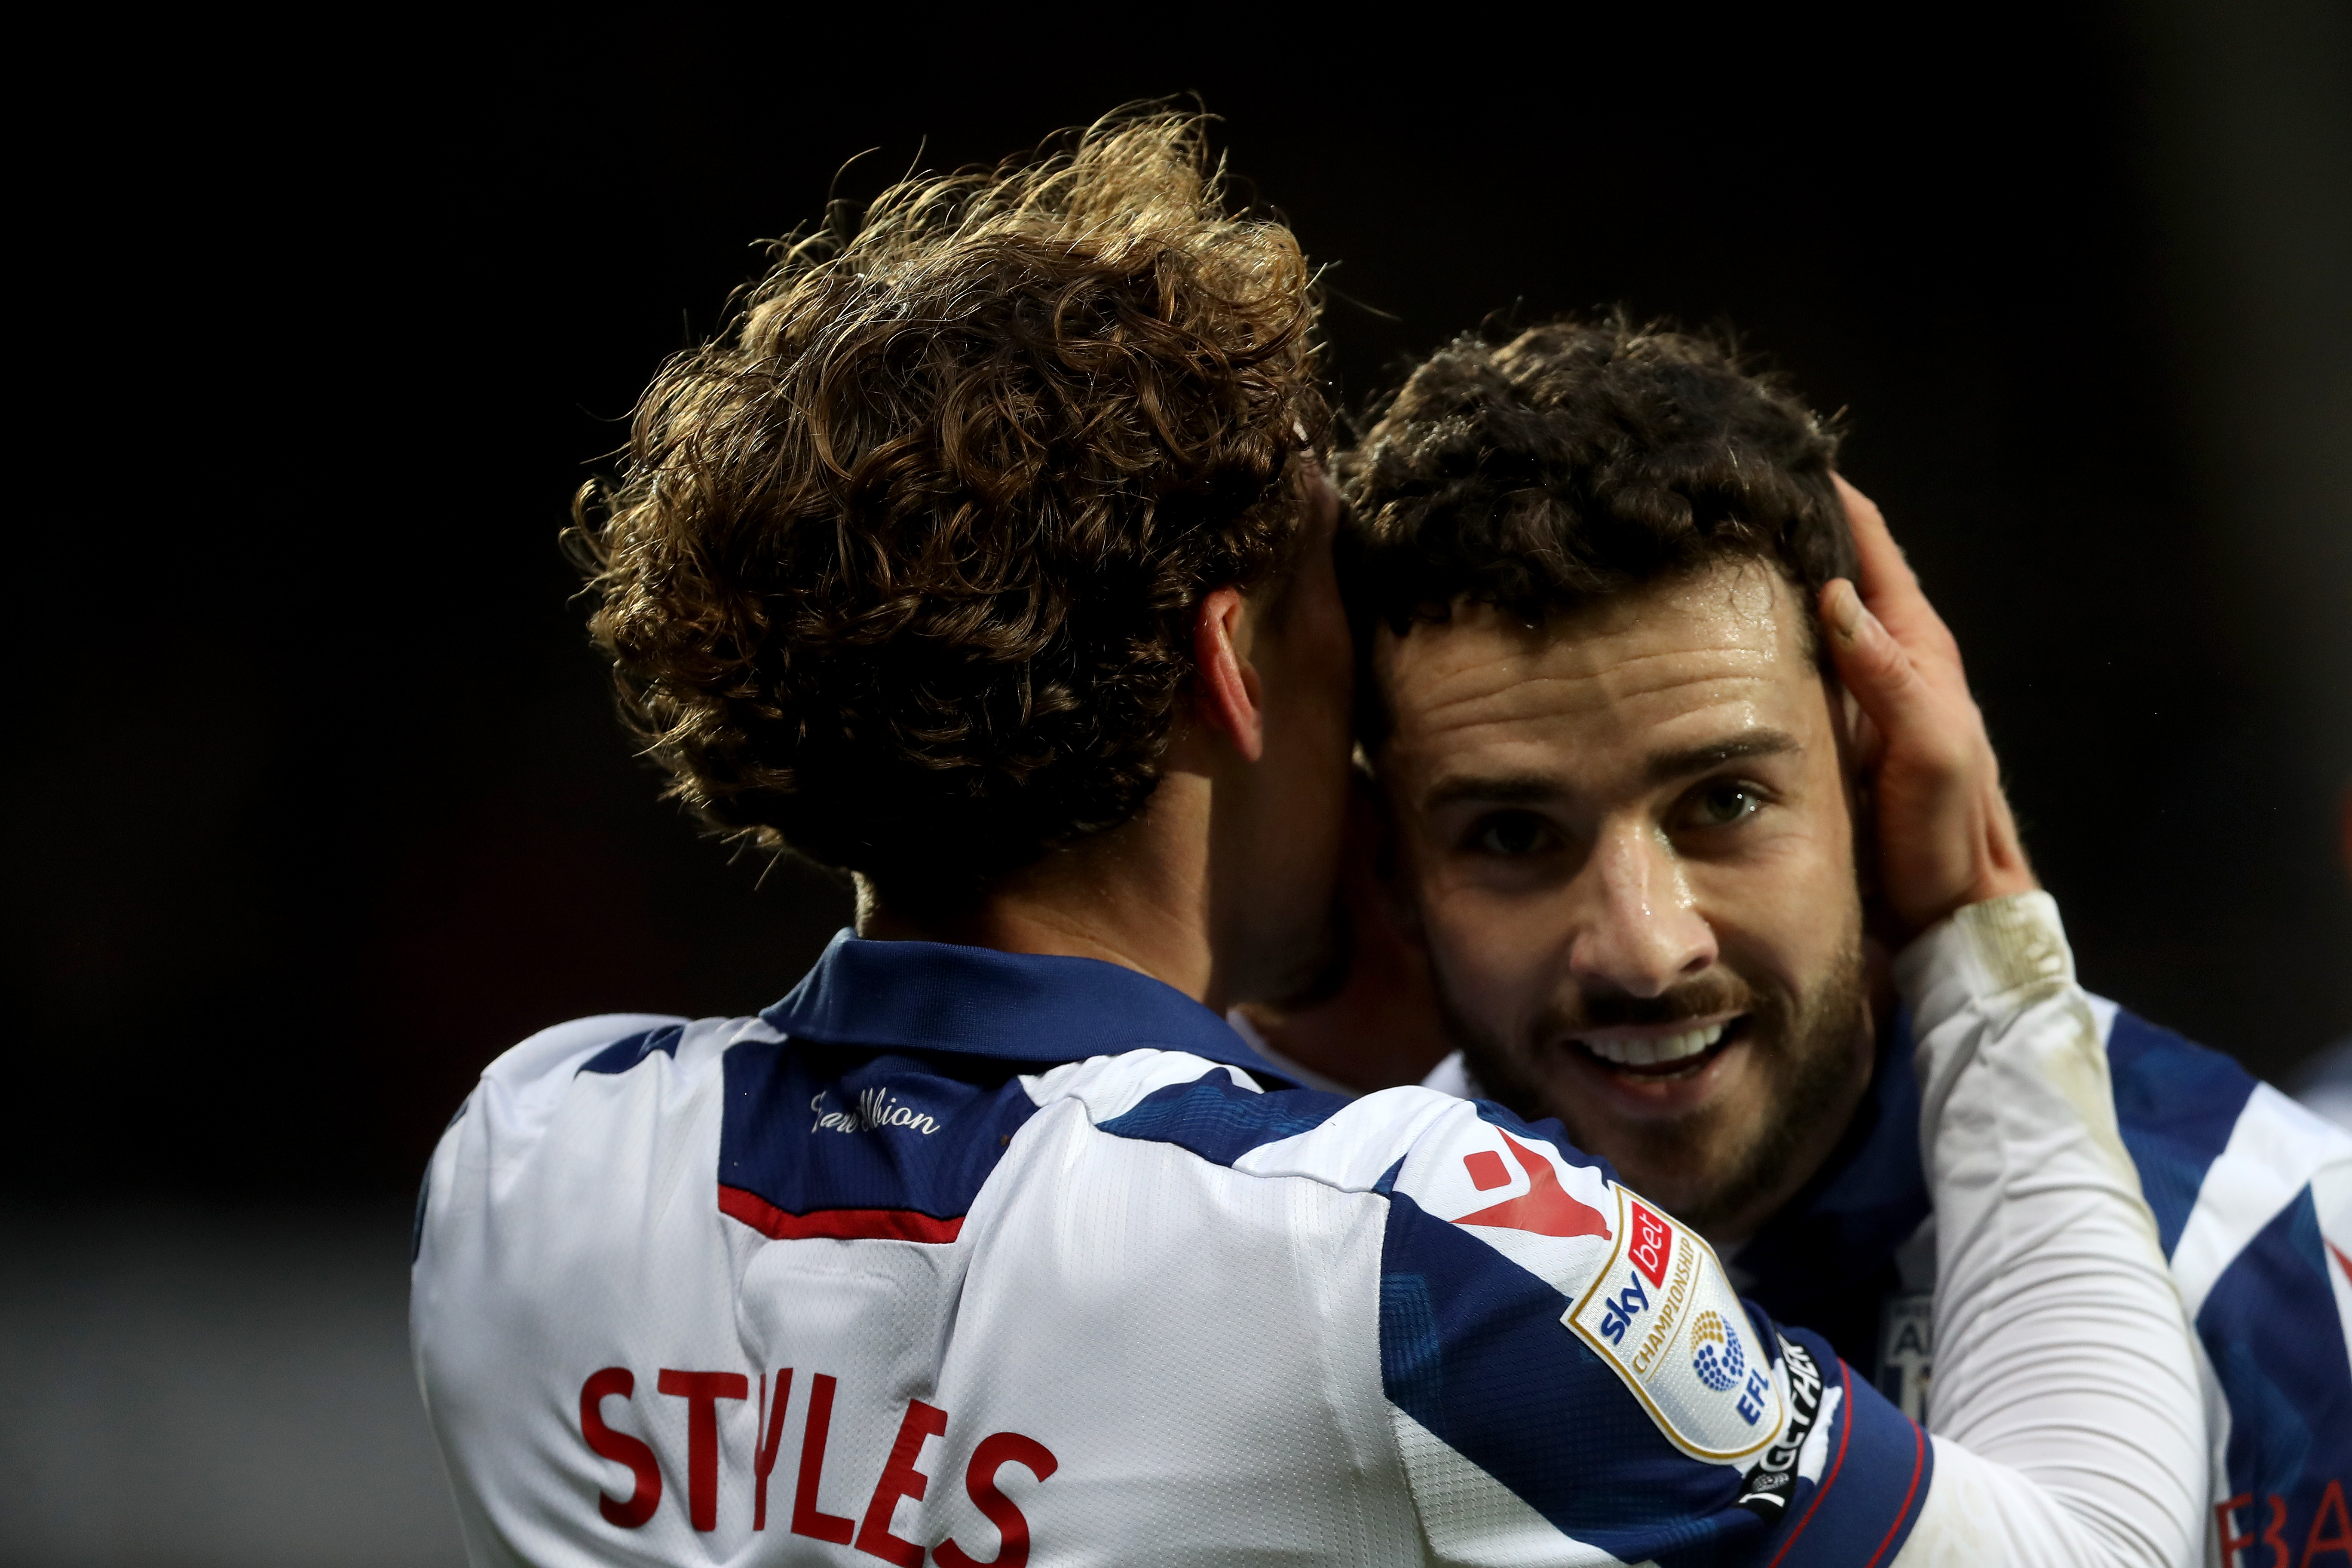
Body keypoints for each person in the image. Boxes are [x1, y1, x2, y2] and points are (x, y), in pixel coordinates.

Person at [410, 116, 2205, 1566]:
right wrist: (1985, 931)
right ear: (1227, 665)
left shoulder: (529, 1160)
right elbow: (2105, 1547)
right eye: (1334, 628)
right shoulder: (1409, 1249)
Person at [1308, 317, 2351, 1565]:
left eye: (1726, 803)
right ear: (1390, 871)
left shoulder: (2281, 1257)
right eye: (1515, 836)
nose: (1645, 951)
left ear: (1880, 780)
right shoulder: (1317, 1308)